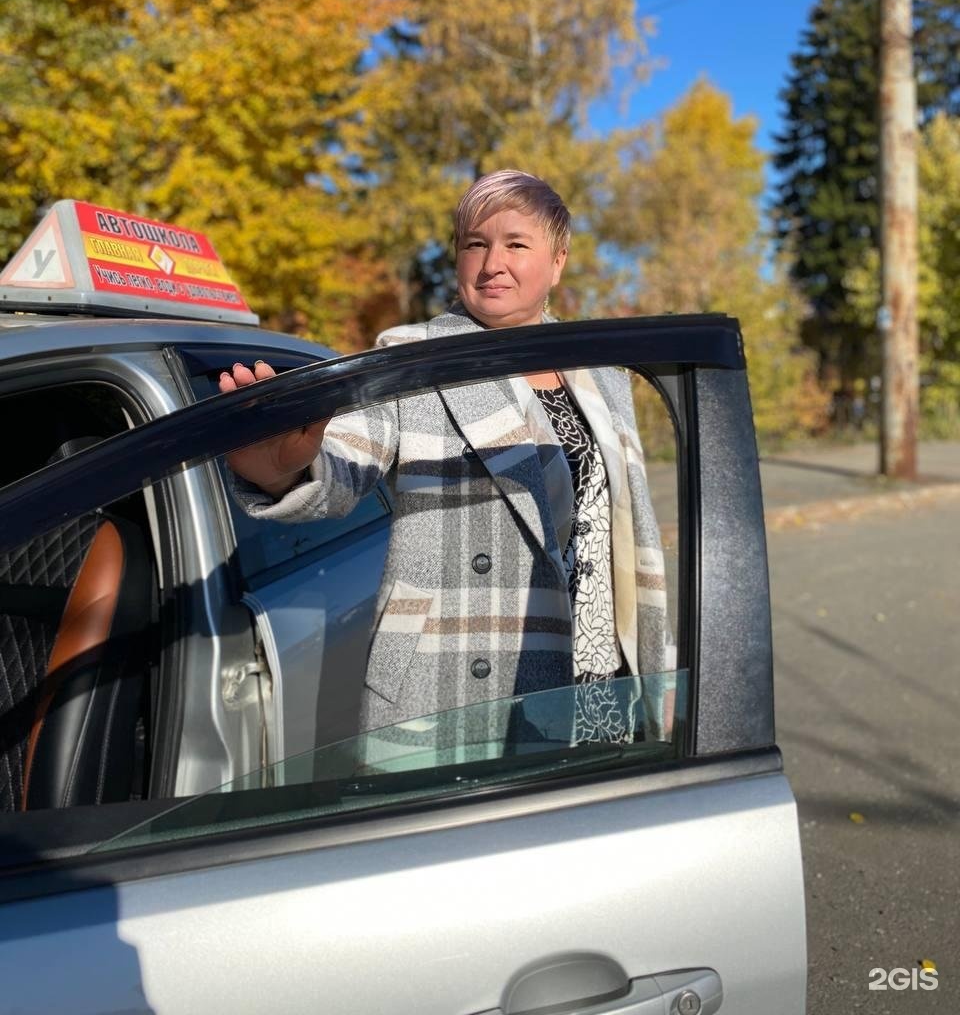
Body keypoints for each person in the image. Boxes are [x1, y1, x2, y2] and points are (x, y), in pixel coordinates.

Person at [221, 171, 673, 753]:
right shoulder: (414, 358)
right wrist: (279, 467)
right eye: (474, 244)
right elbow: (346, 462)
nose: (491, 264)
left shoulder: (604, 372)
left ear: (557, 261)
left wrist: (657, 665)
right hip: (457, 675)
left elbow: (623, 529)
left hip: (597, 671)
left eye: (516, 243)